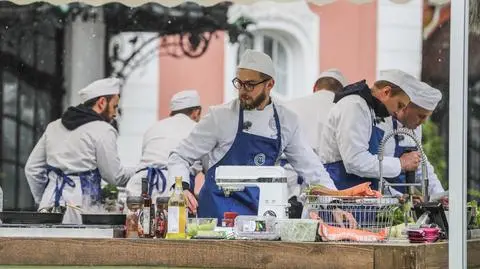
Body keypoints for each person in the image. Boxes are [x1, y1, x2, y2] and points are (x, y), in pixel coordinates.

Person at [167, 49, 337, 221]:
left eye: (250, 85)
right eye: (239, 83)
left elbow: (312, 169)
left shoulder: (287, 121)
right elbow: (180, 155)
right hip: (216, 215)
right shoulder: (220, 117)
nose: (242, 90)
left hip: (261, 218)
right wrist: (181, 188)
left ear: (269, 84)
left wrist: (334, 205)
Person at [25, 78, 136, 224]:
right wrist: (141, 170)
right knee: (77, 246)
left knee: (49, 246)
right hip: (81, 207)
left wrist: (44, 199)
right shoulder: (103, 130)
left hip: (49, 205)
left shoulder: (54, 126)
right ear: (102, 102)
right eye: (114, 107)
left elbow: (32, 169)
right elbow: (114, 176)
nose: (115, 114)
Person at [319, 70, 421, 191]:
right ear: (386, 92)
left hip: (361, 197)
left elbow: (372, 173)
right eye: (399, 105)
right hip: (340, 192)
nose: (398, 112)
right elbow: (355, 161)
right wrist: (401, 163)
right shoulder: (354, 106)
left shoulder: (369, 110)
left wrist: (398, 196)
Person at [282, 69, 347, 217]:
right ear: (341, 92)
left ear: (314, 88)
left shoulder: (289, 105)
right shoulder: (343, 109)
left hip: (288, 177)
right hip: (325, 180)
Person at [126, 90, 203, 202]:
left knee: (137, 219)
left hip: (140, 184)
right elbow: (207, 166)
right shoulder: (198, 129)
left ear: (172, 112)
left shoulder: (153, 127)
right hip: (171, 186)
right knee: (170, 219)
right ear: (196, 112)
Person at [382, 80, 446, 199]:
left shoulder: (415, 127)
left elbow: (419, 163)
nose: (424, 122)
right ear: (405, 107)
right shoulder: (382, 123)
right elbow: (375, 172)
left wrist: (439, 194)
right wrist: (399, 197)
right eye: (421, 116)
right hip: (381, 201)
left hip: (402, 201)